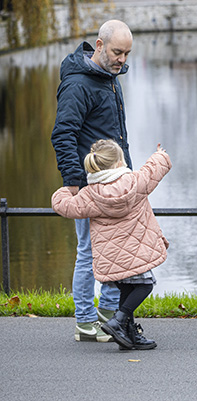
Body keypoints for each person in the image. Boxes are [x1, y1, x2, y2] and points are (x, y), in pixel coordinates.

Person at [51, 19, 134, 342]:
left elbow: (114, 134)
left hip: (115, 181)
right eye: (117, 52)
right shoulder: (78, 85)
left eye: (127, 53)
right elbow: (63, 135)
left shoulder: (110, 79)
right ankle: (85, 321)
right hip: (90, 184)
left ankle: (109, 315)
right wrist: (73, 181)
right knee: (89, 252)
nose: (122, 60)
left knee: (115, 250)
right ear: (99, 46)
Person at [52, 139, 172, 350]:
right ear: (119, 163)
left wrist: (65, 190)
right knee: (144, 285)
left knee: (126, 290)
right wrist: (160, 154)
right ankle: (119, 321)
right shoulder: (136, 182)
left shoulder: (90, 194)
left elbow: (65, 206)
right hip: (136, 252)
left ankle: (128, 334)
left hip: (111, 258)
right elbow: (154, 169)